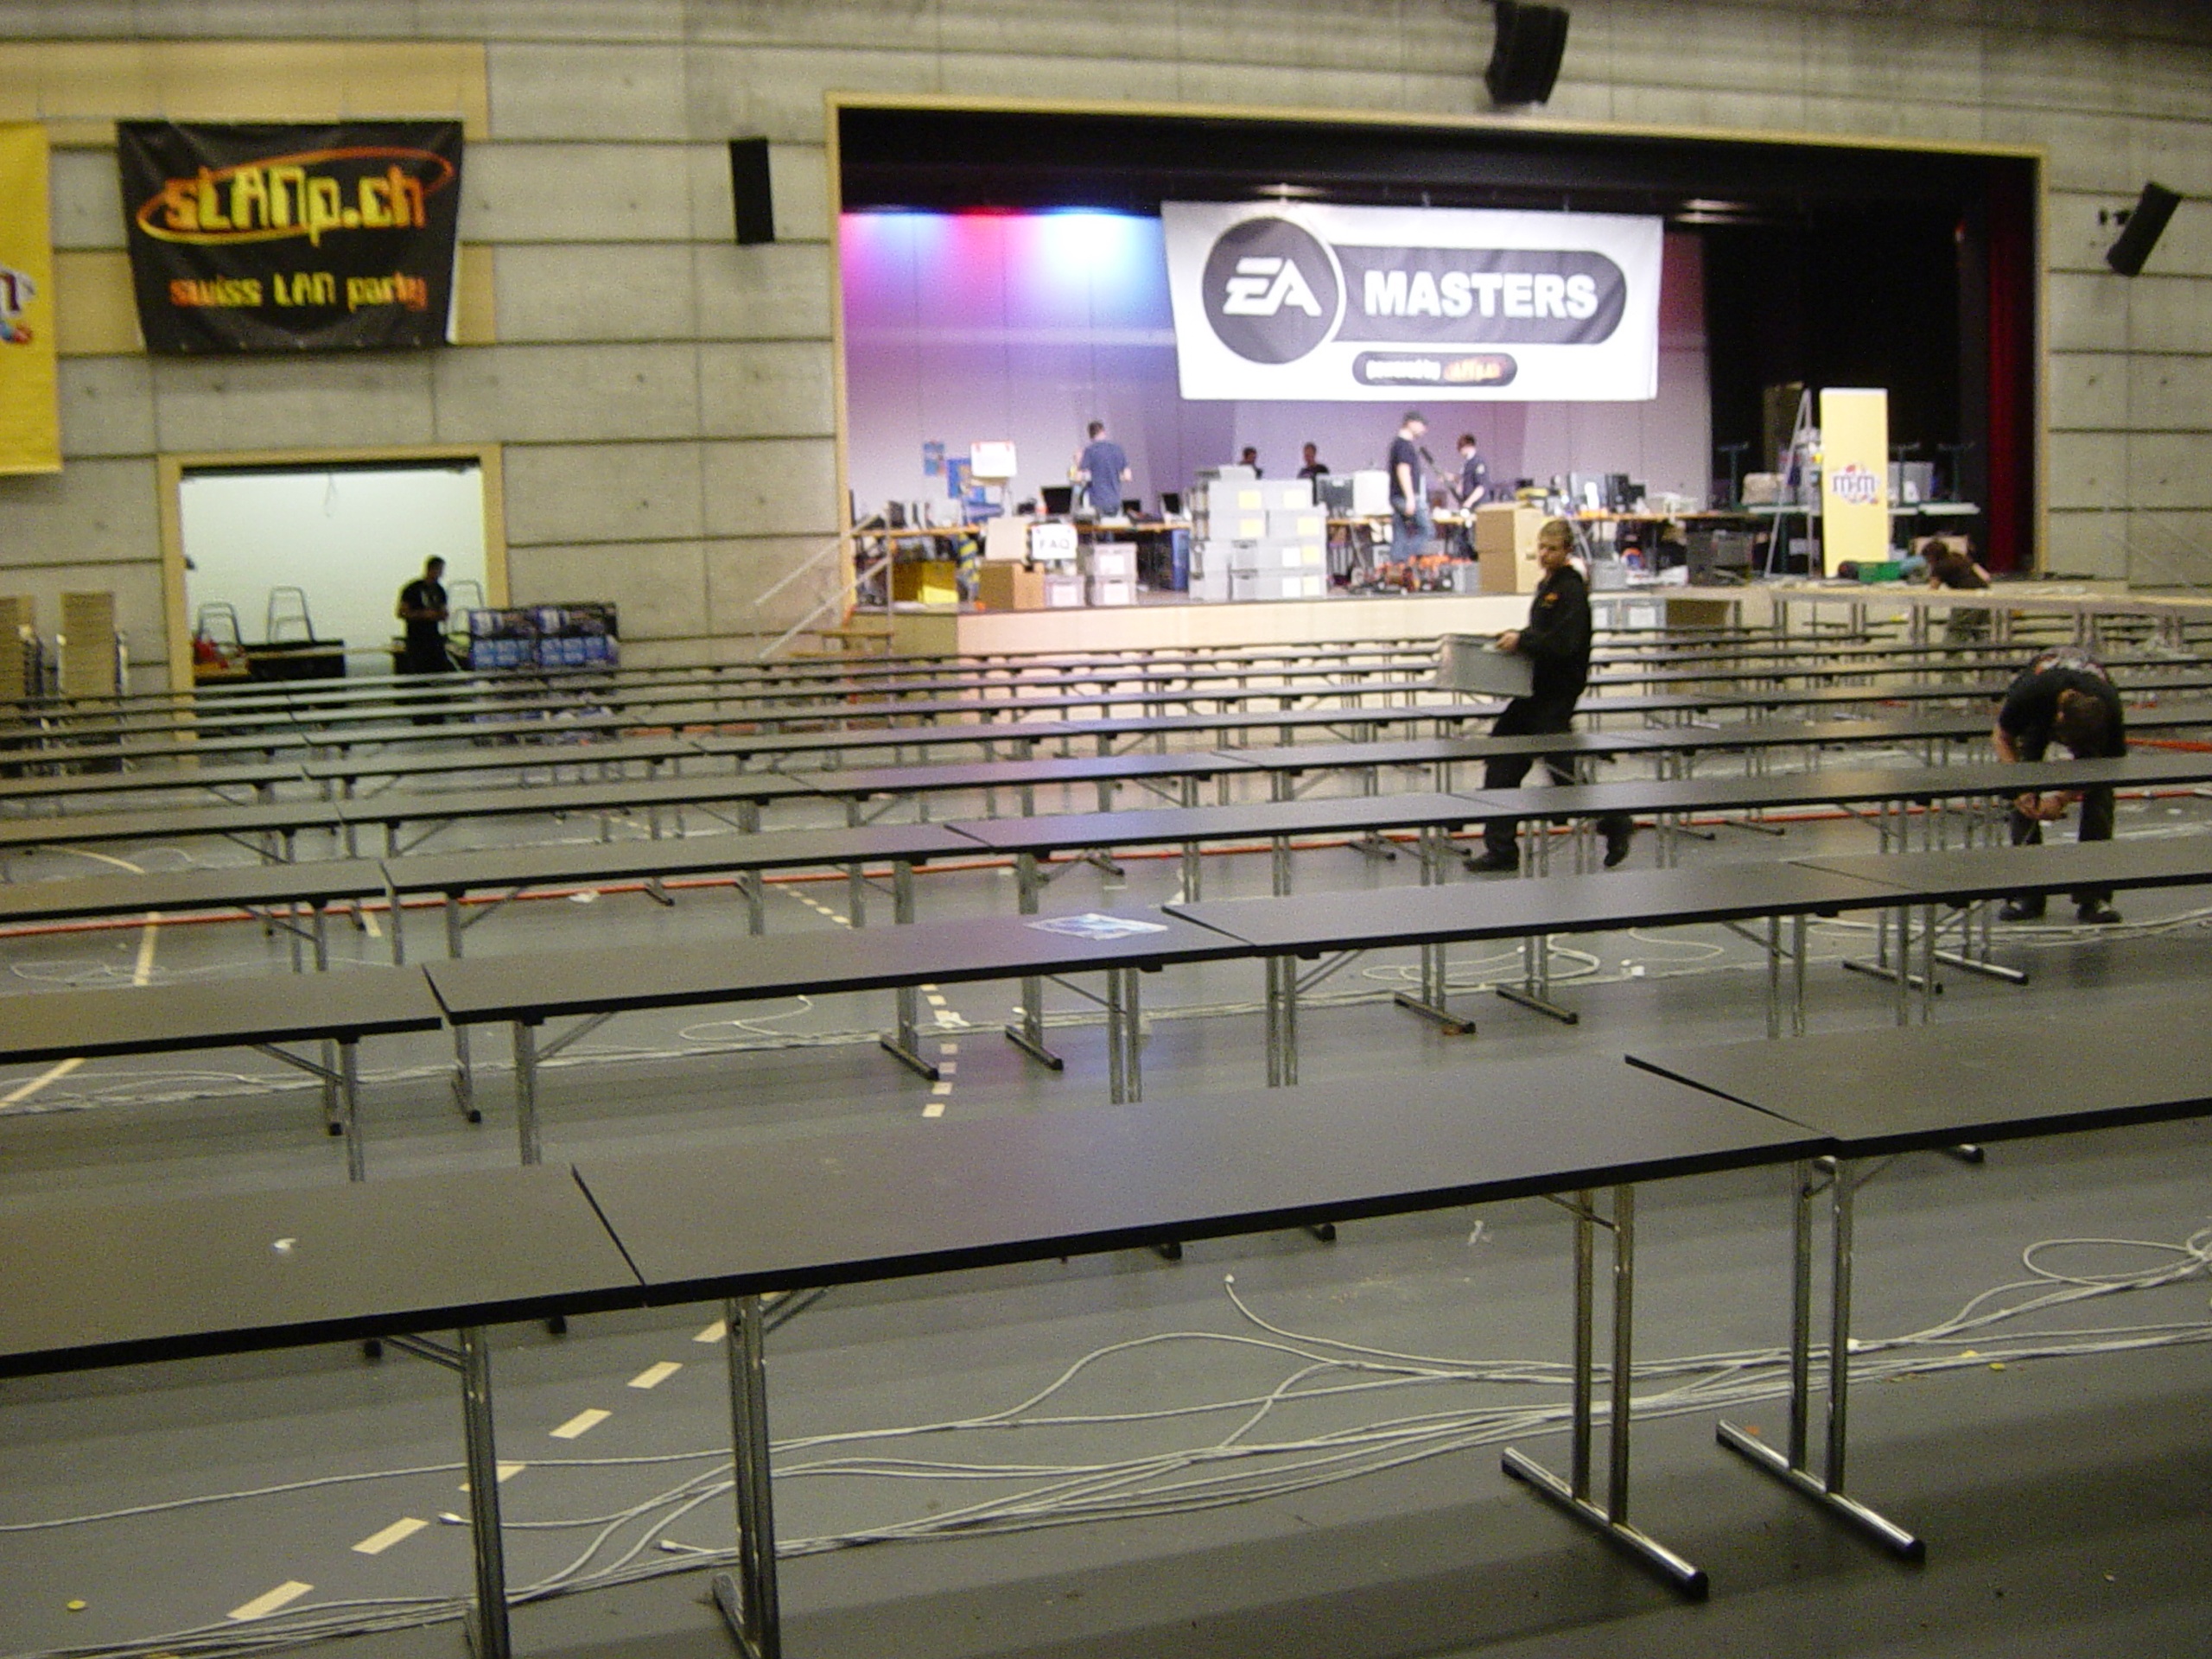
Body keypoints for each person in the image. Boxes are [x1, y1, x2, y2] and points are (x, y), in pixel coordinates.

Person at [1465, 519, 1635, 873]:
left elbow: (1563, 643)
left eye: (1552, 549)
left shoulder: (1570, 590)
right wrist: (1517, 636)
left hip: (1556, 694)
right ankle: (1501, 848)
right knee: (1502, 760)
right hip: (1533, 691)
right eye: (1541, 547)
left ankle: (1615, 821)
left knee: (1562, 774)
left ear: (1567, 551)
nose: (1544, 554)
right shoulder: (1548, 586)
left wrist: (1523, 641)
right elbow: (1542, 631)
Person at [1993, 645, 2126, 924]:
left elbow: (2108, 767)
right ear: (2058, 719)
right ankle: (2027, 893)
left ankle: (2094, 896)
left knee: (2101, 793)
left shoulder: (2109, 705)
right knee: (2021, 784)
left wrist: (2061, 798)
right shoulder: (2030, 693)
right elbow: (2002, 737)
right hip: (2038, 713)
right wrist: (2021, 789)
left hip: (2081, 713)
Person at [1925, 537, 1993, 644]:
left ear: (1931, 556)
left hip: (1967, 597)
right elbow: (1986, 577)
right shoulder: (1958, 556)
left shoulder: (1940, 566)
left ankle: (1952, 654)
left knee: (1956, 633)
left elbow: (1933, 589)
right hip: (1984, 594)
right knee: (1981, 631)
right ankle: (1987, 653)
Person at [396, 556, 452, 675]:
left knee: (440, 671)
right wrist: (422, 615)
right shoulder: (412, 589)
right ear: (430, 569)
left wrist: (441, 615)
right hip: (416, 641)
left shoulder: (439, 590)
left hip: (434, 639)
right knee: (419, 672)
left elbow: (443, 611)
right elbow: (401, 612)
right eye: (439, 570)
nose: (441, 574)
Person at [1388, 410, 1430, 560]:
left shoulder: (1398, 444)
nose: (1424, 429)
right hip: (1404, 497)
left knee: (1400, 535)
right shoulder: (1403, 445)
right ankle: (1402, 558)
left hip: (1397, 497)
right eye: (1422, 424)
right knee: (1427, 531)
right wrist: (1410, 498)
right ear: (1411, 423)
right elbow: (1403, 471)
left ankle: (1395, 566)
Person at [1074, 421, 1130, 518]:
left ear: (1090, 435)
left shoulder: (1090, 450)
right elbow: (1127, 476)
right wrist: (1112, 476)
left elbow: (1078, 478)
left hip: (1097, 502)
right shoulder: (1117, 449)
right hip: (1115, 500)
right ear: (1103, 431)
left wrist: (1079, 464)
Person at [1453, 433, 1490, 510]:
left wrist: (1468, 502)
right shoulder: (1468, 463)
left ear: (1468, 446)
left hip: (1478, 506)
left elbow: (1481, 487)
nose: (1459, 450)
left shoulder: (1477, 462)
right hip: (1469, 504)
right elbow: (1465, 479)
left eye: (1460, 446)